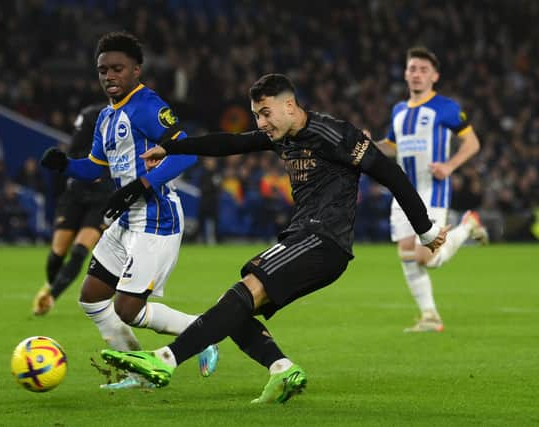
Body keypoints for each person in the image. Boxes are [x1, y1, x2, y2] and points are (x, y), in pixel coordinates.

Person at [97, 73, 448, 403]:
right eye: (256, 115)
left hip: (323, 239)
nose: (261, 123)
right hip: (305, 236)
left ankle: (166, 360)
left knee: (241, 294)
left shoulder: (335, 133)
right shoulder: (280, 137)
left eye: (265, 113)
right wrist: (172, 149)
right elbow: (230, 143)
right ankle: (282, 369)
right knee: (233, 306)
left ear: (290, 106)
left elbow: (391, 174)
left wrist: (426, 229)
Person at [39, 31, 218, 389]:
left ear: (136, 70)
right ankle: (137, 373)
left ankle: (203, 334)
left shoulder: (149, 106)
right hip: (125, 218)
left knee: (127, 309)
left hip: (156, 219)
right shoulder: (105, 118)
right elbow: (94, 167)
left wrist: (143, 184)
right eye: (103, 70)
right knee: (91, 297)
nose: (109, 76)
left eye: (117, 68)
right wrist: (65, 165)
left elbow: (188, 151)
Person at [376, 47, 488, 333]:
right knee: (406, 253)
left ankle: (467, 227)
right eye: (412, 68)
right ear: (405, 73)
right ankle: (429, 316)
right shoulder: (399, 111)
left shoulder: (446, 107)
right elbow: (391, 146)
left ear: (434, 76)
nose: (417, 74)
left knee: (425, 256)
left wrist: (450, 166)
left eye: (423, 70)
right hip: (403, 191)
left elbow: (473, 143)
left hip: (433, 190)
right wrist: (369, 146)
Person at [32, 103, 109, 316]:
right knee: (57, 253)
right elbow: (73, 151)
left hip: (103, 197)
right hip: (76, 193)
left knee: (79, 251)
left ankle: (50, 297)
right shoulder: (91, 115)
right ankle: (49, 285)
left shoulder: (134, 121)